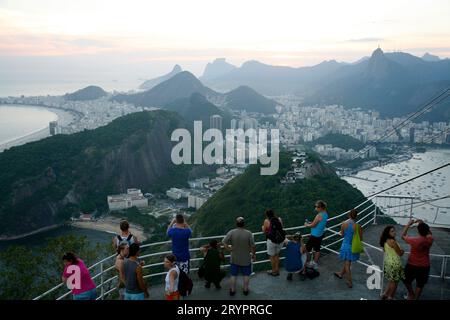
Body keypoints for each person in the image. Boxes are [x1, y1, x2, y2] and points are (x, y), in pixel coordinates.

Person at [222, 217, 256, 296]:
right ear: (244, 224)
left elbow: (223, 242)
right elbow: (253, 246)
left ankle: (232, 291)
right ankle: (245, 290)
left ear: (236, 224)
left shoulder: (232, 232)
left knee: (233, 275)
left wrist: (229, 249)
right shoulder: (248, 233)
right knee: (246, 275)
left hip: (234, 257)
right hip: (246, 258)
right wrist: (254, 254)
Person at [401, 219, 434, 300]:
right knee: (420, 284)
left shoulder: (414, 240)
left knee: (405, 279)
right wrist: (422, 223)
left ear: (418, 231)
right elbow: (429, 233)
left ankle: (411, 294)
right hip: (425, 265)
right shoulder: (430, 240)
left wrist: (408, 224)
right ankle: (415, 298)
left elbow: (403, 236)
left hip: (412, 264)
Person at [334, 209, 362, 288]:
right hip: (353, 246)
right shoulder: (358, 226)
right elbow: (360, 238)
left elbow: (342, 234)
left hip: (346, 245)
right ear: (356, 216)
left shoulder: (344, 224)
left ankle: (350, 282)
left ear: (349, 215)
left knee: (347, 264)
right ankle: (341, 274)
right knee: (347, 262)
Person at [380, 226, 405, 300]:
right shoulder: (392, 242)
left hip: (388, 263)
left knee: (391, 280)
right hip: (395, 263)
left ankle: (385, 294)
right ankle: (390, 297)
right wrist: (402, 251)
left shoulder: (385, 241)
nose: (394, 232)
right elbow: (400, 253)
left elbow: (385, 251)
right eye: (392, 231)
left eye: (394, 231)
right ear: (388, 233)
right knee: (395, 282)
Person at [304, 200, 329, 269]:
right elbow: (318, 223)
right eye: (315, 206)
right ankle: (314, 263)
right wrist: (311, 222)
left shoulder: (319, 215)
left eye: (317, 207)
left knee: (306, 249)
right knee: (317, 249)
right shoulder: (325, 214)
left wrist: (306, 224)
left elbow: (313, 225)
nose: (315, 208)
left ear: (321, 208)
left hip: (314, 235)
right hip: (320, 234)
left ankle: (305, 263)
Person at [262, 209, 285, 276]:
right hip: (280, 240)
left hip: (271, 241)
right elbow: (281, 228)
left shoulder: (266, 221)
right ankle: (277, 269)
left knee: (272, 256)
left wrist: (262, 228)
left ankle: (274, 271)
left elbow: (264, 231)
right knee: (277, 255)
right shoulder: (279, 219)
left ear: (267, 215)